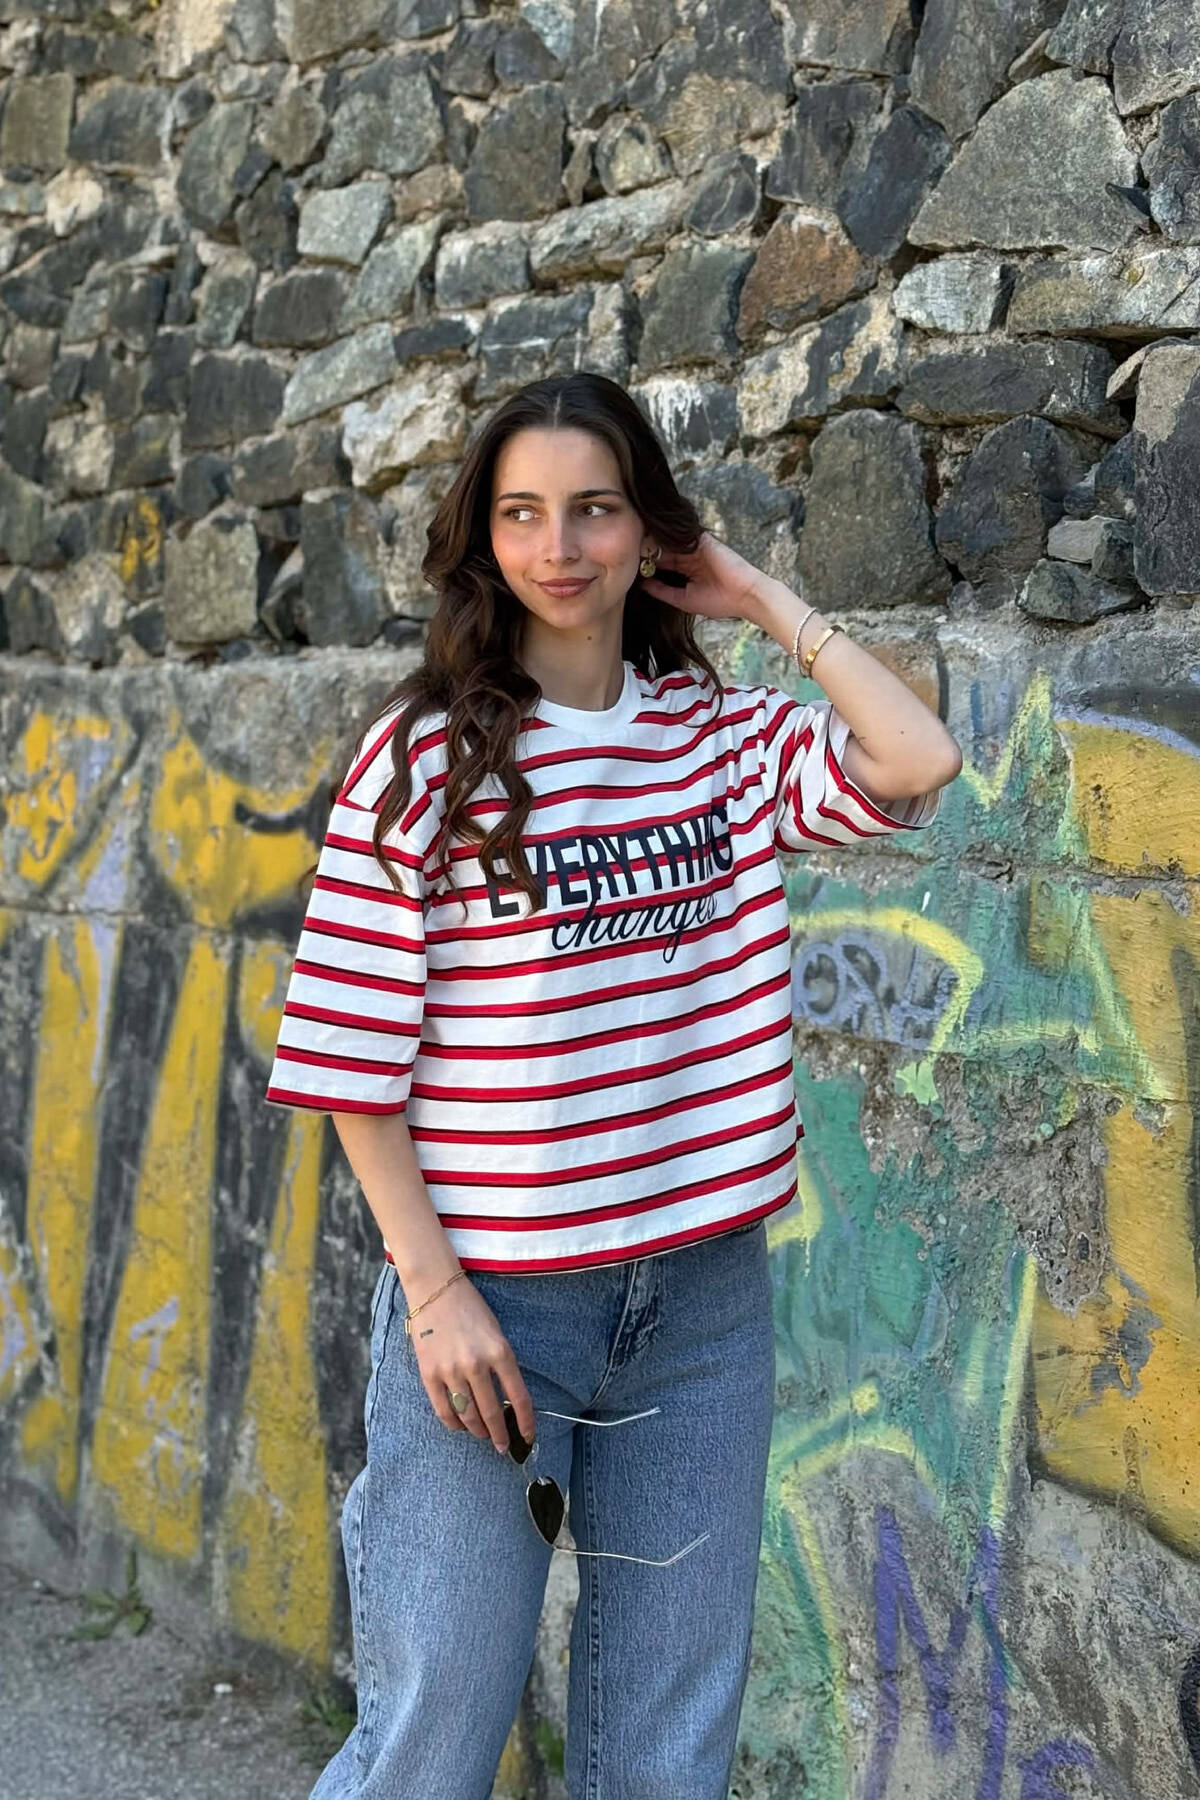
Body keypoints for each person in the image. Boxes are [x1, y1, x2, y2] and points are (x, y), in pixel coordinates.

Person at [265, 370, 962, 1800]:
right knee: (432, 1736)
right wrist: (435, 1293)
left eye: (595, 510)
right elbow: (348, 1058)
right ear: (483, 537)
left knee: (667, 1745)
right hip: (493, 1311)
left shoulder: (713, 738)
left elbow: (918, 756)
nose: (560, 547)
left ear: (649, 531)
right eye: (522, 514)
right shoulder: (426, 757)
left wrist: (758, 598)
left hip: (700, 1302)